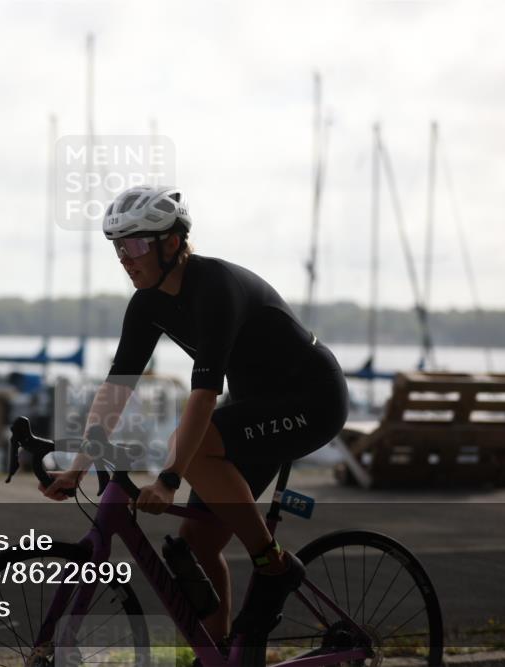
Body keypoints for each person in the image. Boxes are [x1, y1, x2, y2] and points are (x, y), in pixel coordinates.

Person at [41, 184, 350, 643]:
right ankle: (219, 654)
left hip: (312, 398)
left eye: (135, 245)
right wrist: (77, 467)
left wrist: (169, 479)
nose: (125, 258)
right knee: (195, 544)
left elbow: (203, 396)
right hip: (254, 408)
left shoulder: (215, 288)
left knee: (196, 446)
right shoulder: (147, 303)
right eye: (118, 247)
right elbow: (116, 388)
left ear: (172, 243)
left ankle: (274, 566)